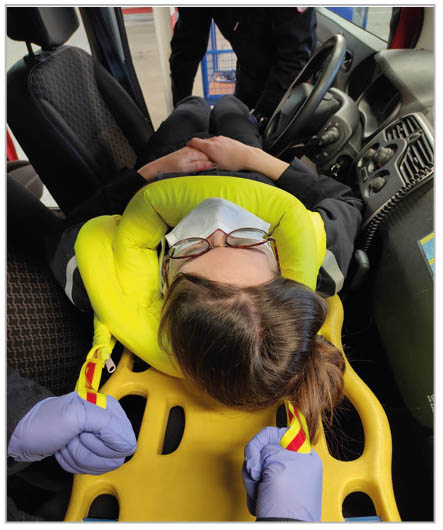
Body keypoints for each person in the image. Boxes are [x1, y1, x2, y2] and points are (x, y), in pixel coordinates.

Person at [169, 7, 317, 127]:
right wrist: (181, 107)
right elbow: (186, 48)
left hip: (292, 81)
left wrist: (261, 116)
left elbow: (295, 56)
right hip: (249, 73)